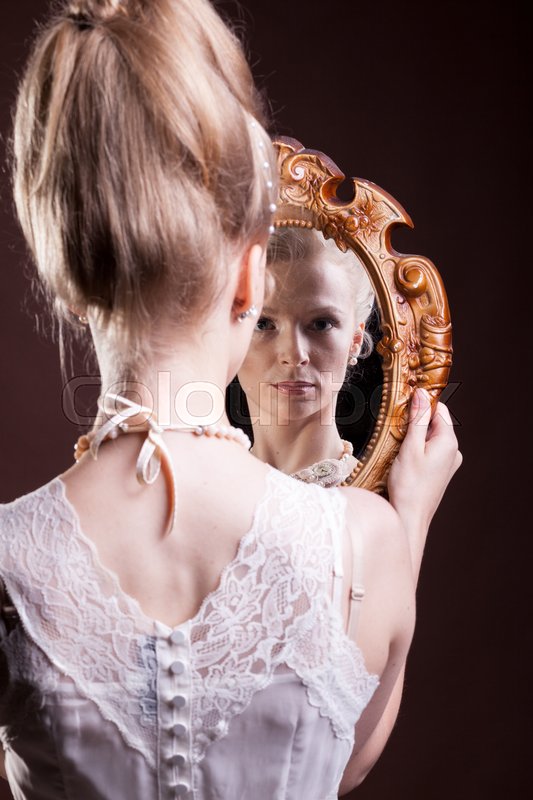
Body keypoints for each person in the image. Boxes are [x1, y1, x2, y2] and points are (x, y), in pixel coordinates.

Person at [0, 1, 462, 799]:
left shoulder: (8, 560)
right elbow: (342, 757)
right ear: (251, 278)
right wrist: (407, 527)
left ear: (72, 286)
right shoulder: (364, 543)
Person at [238, 225, 376, 487]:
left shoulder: (377, 502)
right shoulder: (203, 489)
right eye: (263, 324)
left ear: (355, 340)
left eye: (321, 324)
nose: (294, 353)